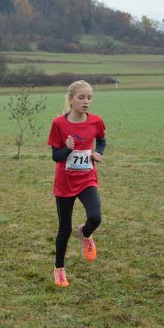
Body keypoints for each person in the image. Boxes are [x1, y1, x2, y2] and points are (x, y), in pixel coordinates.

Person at [47, 80, 107, 288]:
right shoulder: (59, 124)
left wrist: (98, 153)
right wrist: (68, 149)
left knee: (95, 217)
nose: (86, 101)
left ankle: (86, 234)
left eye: (89, 97)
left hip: (87, 178)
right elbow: (56, 156)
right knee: (65, 228)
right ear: (71, 100)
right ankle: (59, 269)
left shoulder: (96, 121)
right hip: (65, 183)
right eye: (81, 98)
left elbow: (102, 140)